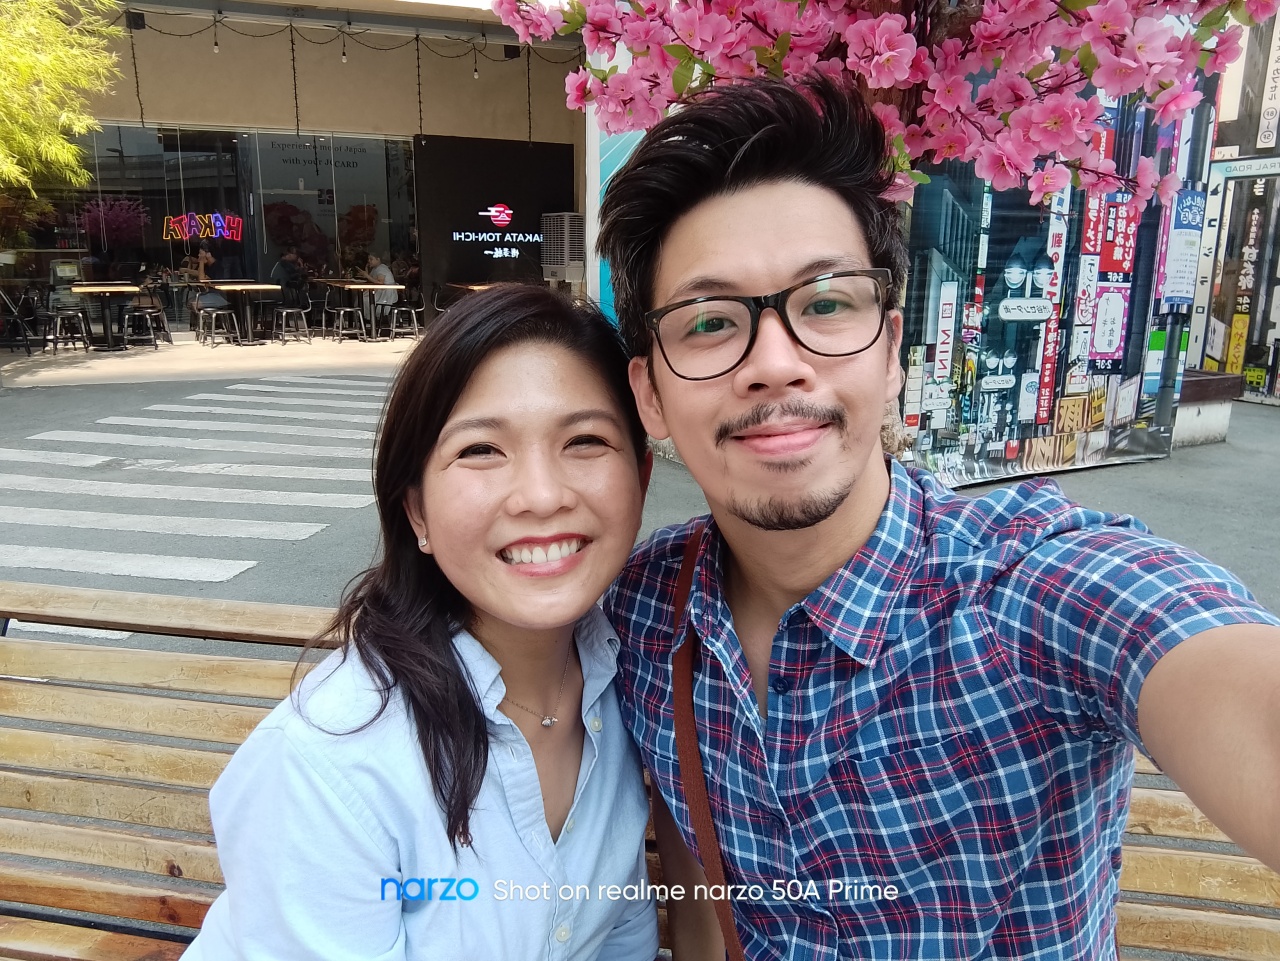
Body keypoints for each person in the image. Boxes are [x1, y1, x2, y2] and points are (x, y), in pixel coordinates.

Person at [596, 76, 1280, 960]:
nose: (775, 362)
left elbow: (1202, 658)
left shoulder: (1032, 595)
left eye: (825, 304)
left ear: (890, 349)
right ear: (650, 393)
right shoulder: (644, 610)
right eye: (709, 322)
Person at [181, 284, 660, 960]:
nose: (543, 495)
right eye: (481, 450)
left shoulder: (627, 681)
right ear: (416, 512)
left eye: (585, 440)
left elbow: (619, 935)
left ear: (641, 477)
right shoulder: (331, 760)